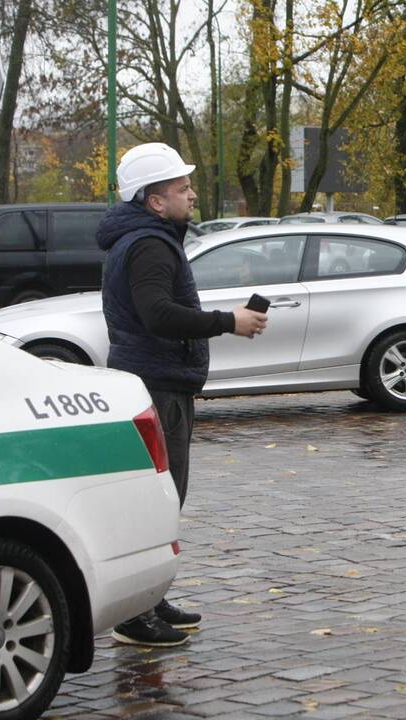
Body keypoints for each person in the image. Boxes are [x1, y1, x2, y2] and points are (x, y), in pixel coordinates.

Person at [99, 142, 268, 647]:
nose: (191, 195)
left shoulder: (146, 238)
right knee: (158, 502)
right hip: (157, 383)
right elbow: (158, 314)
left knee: (163, 499)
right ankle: (133, 615)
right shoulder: (149, 244)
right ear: (154, 200)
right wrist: (228, 322)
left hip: (160, 381)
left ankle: (147, 598)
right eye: (181, 188)